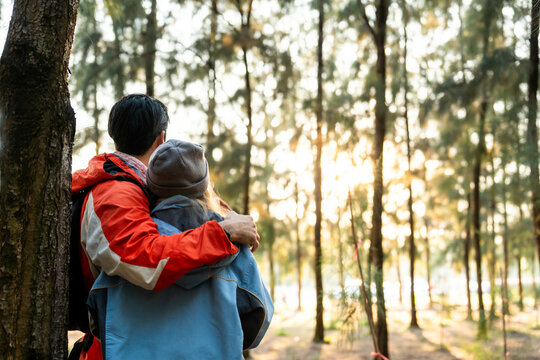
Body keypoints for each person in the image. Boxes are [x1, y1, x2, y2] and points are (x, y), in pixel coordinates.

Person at [71, 94, 260, 359]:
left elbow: (192, 203)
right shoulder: (116, 192)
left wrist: (228, 216)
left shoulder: (135, 183)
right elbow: (146, 259)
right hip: (121, 347)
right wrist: (223, 234)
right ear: (160, 140)